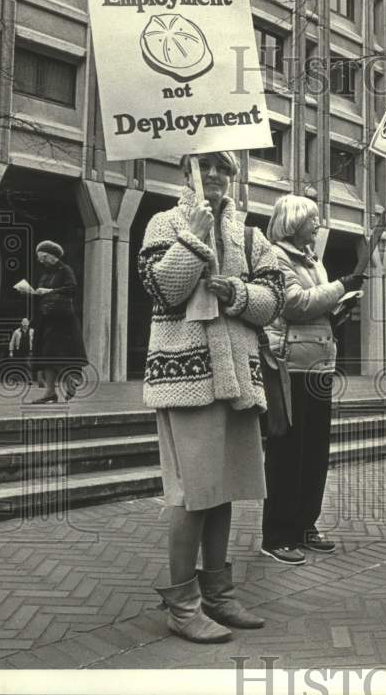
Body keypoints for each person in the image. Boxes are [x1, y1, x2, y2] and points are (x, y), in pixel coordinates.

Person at [138, 151, 284, 643]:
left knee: (223, 492)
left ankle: (217, 595)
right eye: (205, 168)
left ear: (234, 178)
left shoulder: (250, 234)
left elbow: (273, 301)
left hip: (238, 378)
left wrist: (236, 293)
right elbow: (163, 291)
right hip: (186, 379)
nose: (216, 177)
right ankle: (182, 605)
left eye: (224, 169)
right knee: (193, 495)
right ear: (186, 174)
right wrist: (195, 238)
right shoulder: (164, 223)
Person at [260, 194, 365, 564]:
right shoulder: (275, 256)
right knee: (287, 454)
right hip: (290, 366)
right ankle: (277, 534)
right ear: (292, 221)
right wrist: (338, 287)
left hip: (318, 366)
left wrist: (341, 304)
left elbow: (317, 308)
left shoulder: (312, 261)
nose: (318, 224)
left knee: (314, 453)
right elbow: (294, 303)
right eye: (312, 219)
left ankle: (305, 524)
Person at [20, 241, 88, 403]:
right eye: (39, 257)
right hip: (46, 319)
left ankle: (71, 378)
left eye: (43, 257)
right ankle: (50, 392)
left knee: (59, 351)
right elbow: (41, 296)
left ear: (52, 256)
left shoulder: (65, 270)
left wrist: (50, 291)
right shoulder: (45, 275)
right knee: (46, 355)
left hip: (62, 320)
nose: (40, 260)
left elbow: (72, 289)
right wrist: (30, 293)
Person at [9, 318, 36, 384]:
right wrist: (11, 351)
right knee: (17, 365)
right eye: (24, 325)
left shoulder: (32, 331)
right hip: (19, 351)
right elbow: (12, 342)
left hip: (28, 351)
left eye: (26, 325)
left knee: (28, 365)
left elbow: (35, 341)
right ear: (21, 324)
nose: (25, 326)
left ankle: (30, 380)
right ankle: (15, 380)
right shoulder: (17, 331)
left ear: (28, 324)